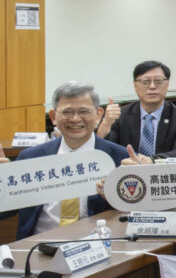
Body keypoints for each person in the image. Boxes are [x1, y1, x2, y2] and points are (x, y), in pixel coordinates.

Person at [9, 82, 130, 238]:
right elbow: (6, 210)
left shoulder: (121, 158)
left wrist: (118, 198)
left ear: (99, 115)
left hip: (99, 245)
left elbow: (137, 213)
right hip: (39, 245)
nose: (75, 119)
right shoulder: (30, 158)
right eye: (67, 112)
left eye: (83, 111)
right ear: (53, 117)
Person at [96, 60, 176, 159]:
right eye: (145, 82)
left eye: (158, 81)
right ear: (135, 86)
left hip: (163, 168)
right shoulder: (120, 115)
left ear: (167, 84)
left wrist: (152, 161)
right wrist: (106, 123)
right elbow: (105, 149)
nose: (152, 86)